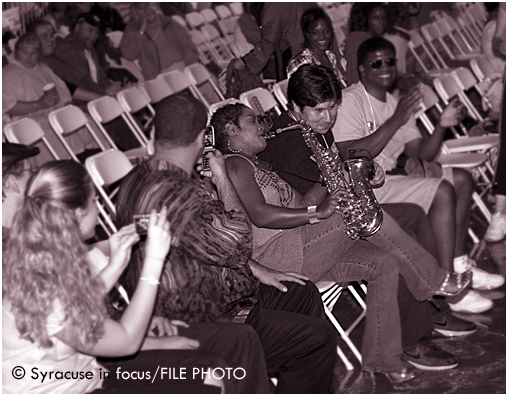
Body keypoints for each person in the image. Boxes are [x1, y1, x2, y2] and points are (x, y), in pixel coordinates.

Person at [210, 99, 473, 382]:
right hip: (279, 257)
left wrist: (326, 181)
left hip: (307, 249)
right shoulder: (235, 164)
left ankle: (385, 361)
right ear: (231, 130)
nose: (261, 125)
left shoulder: (259, 165)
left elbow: (302, 204)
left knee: (384, 263)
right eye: (252, 121)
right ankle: (434, 280)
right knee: (360, 210)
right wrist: (320, 213)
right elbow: (261, 216)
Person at [115, 93, 338, 393]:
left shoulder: (135, 180)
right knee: (317, 338)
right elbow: (237, 243)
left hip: (203, 298)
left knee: (302, 292)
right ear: (201, 138)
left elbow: (201, 243)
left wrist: (257, 269)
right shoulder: (181, 190)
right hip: (212, 317)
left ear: (155, 135)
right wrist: (221, 178)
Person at [1, 147, 270, 394]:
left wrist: (117, 263)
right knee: (208, 376)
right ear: (76, 215)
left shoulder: (44, 251)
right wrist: (153, 261)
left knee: (235, 344)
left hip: (89, 369)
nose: (99, 208)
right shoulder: (38, 272)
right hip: (73, 386)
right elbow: (122, 340)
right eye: (95, 201)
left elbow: (76, 301)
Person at [333, 37, 505, 313]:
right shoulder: (350, 102)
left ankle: (459, 264)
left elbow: (421, 155)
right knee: (443, 190)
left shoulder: (396, 101)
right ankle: (449, 287)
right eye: (376, 63)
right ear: (362, 69)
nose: (386, 67)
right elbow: (351, 154)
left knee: (462, 178)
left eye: (390, 61)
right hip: (369, 186)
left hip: (394, 174)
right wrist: (397, 119)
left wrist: (440, 126)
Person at [2, 32, 100, 165]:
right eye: (25, 52)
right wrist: (38, 104)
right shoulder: (8, 73)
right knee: (57, 127)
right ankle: (72, 164)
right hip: (28, 120)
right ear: (16, 52)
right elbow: (9, 107)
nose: (29, 57)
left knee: (82, 119)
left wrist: (66, 107)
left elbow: (64, 92)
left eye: (34, 52)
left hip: (54, 114)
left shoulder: (43, 68)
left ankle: (95, 161)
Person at [343, 2, 430, 89]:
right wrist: (398, 83)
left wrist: (411, 75)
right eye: (376, 18)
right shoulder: (360, 42)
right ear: (365, 19)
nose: (382, 22)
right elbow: (361, 81)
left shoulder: (370, 39)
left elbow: (384, 72)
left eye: (384, 18)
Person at [232, 3, 316, 80]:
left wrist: (245, 61)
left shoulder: (273, 7)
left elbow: (269, 42)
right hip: (313, 49)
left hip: (296, 55)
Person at [120, 2, 199, 81]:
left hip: (183, 64)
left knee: (206, 80)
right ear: (135, 12)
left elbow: (188, 45)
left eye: (149, 5)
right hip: (159, 75)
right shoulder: (132, 31)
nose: (147, 10)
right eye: (142, 8)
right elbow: (128, 54)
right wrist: (141, 31)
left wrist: (190, 64)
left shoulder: (167, 22)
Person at [52, 13, 122, 96]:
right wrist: (105, 92)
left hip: (98, 98)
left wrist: (113, 88)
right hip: (81, 104)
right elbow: (83, 81)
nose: (94, 36)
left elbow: (101, 75)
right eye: (90, 30)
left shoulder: (88, 47)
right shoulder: (66, 49)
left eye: (96, 32)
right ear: (77, 28)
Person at [286, 7, 346, 86]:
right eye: (315, 33)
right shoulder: (300, 62)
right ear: (308, 34)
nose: (322, 37)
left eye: (326, 31)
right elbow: (298, 94)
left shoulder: (331, 56)